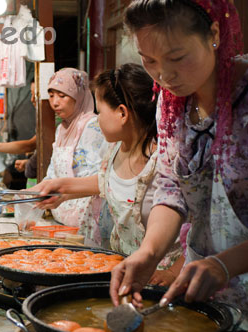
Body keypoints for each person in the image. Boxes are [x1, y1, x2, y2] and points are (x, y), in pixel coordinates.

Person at [107, 0, 248, 323]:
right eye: (149, 60)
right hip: (205, 294)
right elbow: (171, 191)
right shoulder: (171, 107)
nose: (164, 75)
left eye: (177, 57)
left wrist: (226, 263)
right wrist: (149, 252)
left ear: (213, 34)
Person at [34, 64, 184, 285]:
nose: (97, 118)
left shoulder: (166, 162)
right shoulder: (115, 149)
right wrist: (60, 187)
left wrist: (172, 274)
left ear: (122, 113)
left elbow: (198, 230)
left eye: (100, 111)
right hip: (121, 271)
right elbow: (106, 182)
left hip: (160, 277)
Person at [30, 68, 109, 242]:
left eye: (62, 96)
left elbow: (100, 179)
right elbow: (52, 173)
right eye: (51, 95)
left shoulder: (93, 126)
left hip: (87, 221)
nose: (55, 103)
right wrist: (27, 195)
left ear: (78, 96)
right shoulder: (61, 129)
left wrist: (62, 191)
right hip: (62, 220)